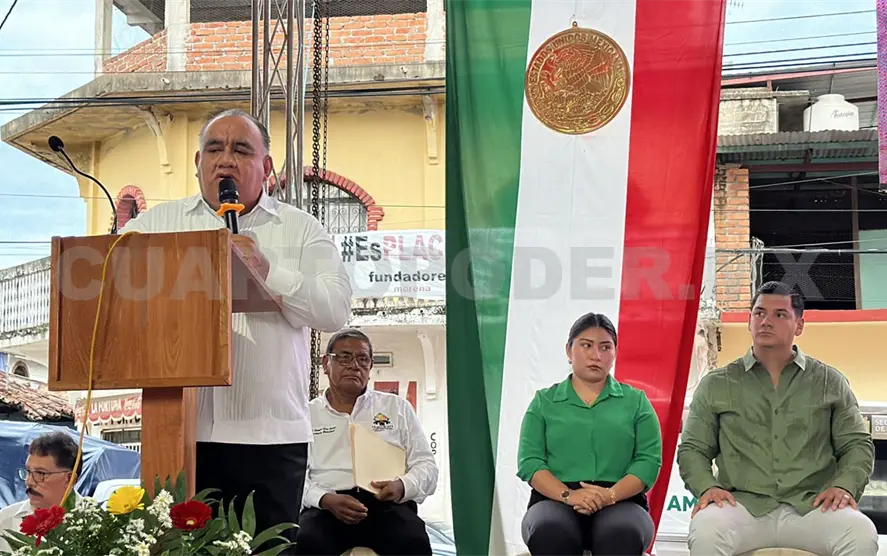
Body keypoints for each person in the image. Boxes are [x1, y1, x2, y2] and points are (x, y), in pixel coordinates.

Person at [120, 109, 352, 545]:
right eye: (214, 149)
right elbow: (111, 277)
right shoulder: (156, 225)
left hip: (270, 439)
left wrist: (269, 271)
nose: (225, 159)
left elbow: (336, 309)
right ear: (198, 162)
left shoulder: (301, 229)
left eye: (241, 150)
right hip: (180, 438)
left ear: (266, 167)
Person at [678, 281, 877, 556]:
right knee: (706, 531)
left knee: (860, 533)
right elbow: (693, 449)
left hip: (813, 507)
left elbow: (857, 445)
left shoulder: (828, 382)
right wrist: (707, 487)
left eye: (779, 314)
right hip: (741, 507)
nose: (766, 321)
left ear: (799, 325)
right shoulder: (716, 384)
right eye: (759, 313)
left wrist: (844, 486)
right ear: (749, 321)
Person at [517, 312, 662, 556]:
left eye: (605, 347)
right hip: (555, 500)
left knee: (621, 534)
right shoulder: (544, 402)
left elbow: (648, 461)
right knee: (550, 533)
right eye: (586, 345)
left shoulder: (636, 402)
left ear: (615, 352)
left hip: (622, 501)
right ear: (569, 350)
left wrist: (609, 496)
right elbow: (530, 462)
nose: (596, 355)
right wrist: (570, 495)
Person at [297, 329, 438, 556]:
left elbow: (427, 466)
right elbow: (296, 476)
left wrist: (402, 486)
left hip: (387, 505)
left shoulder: (396, 408)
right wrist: (324, 499)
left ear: (370, 367)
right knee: (304, 542)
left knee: (413, 540)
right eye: (344, 357)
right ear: (325, 364)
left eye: (363, 359)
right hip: (327, 508)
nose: (354, 365)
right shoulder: (306, 415)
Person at [0, 432, 80, 552]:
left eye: (40, 473)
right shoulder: (5, 520)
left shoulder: (97, 525)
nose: (29, 481)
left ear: (69, 479)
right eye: (28, 471)